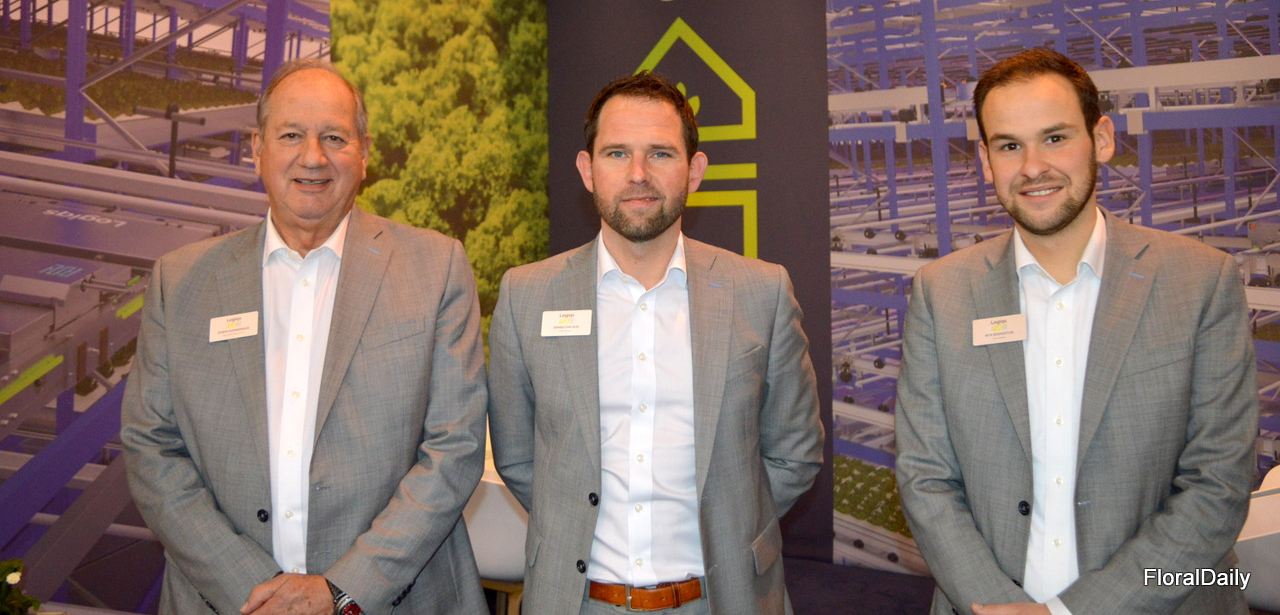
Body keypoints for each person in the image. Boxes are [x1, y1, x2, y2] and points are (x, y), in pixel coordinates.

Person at [894, 48, 1259, 615]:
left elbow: (1218, 483)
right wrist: (996, 606)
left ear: (1102, 139)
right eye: (1009, 146)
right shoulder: (941, 292)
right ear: (986, 161)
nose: (1033, 166)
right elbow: (925, 478)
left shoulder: (1199, 281)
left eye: (1055, 138)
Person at [121, 60, 488, 615]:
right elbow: (152, 448)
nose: (312, 157)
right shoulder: (182, 281)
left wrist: (343, 589)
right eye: (291, 135)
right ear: (257, 149)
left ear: (364, 153)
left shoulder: (435, 267)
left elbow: (454, 448)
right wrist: (251, 587)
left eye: (334, 137)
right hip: (227, 601)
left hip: (392, 601)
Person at [488, 71, 823, 614]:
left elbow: (795, 453)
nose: (638, 174)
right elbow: (518, 459)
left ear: (695, 171)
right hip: (577, 602)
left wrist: (730, 524)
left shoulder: (762, 292)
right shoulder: (526, 295)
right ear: (587, 170)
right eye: (617, 153)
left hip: (723, 600)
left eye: (661, 154)